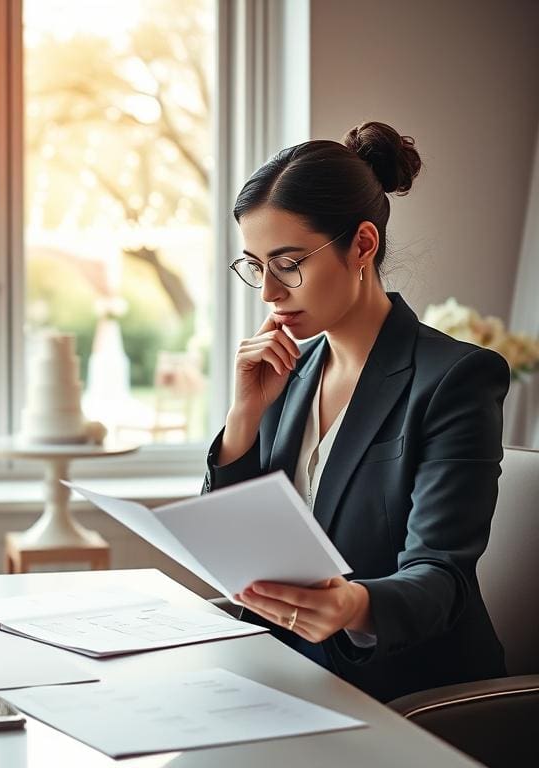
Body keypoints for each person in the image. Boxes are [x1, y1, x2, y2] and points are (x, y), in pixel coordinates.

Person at [203, 121, 509, 703]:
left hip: (410, 697)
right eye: (255, 265)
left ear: (362, 245)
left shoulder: (455, 379)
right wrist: (244, 415)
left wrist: (354, 605)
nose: (268, 291)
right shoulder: (285, 372)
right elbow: (240, 549)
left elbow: (442, 578)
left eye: (288, 262)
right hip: (288, 678)